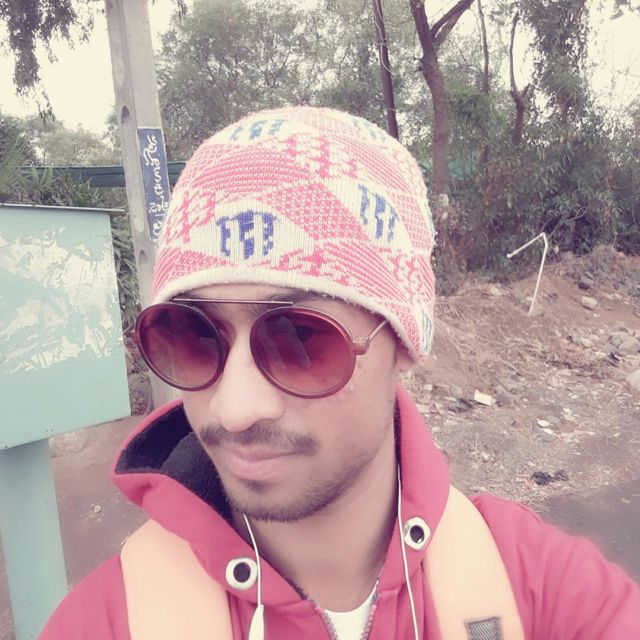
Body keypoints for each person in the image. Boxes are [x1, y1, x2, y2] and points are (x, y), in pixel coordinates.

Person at [41, 106, 640, 640]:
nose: (235, 408)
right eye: (194, 337)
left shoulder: (547, 593)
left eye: (301, 338)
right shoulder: (104, 622)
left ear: (402, 342)